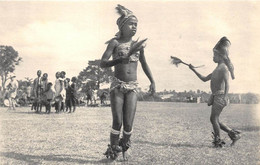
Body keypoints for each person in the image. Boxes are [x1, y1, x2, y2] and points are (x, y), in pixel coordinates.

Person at [101, 4, 155, 160]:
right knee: (117, 121)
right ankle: (112, 151)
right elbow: (103, 63)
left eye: (136, 25)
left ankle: (125, 147)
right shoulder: (114, 43)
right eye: (131, 24)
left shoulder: (137, 46)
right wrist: (119, 60)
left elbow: (144, 64)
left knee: (128, 123)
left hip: (132, 87)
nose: (134, 27)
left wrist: (152, 81)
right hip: (117, 85)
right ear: (122, 26)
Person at [189, 37, 241, 147]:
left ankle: (218, 141)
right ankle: (233, 135)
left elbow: (227, 83)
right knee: (215, 119)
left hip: (220, 96)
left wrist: (225, 97)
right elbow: (203, 78)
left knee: (213, 119)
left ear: (220, 56)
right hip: (217, 97)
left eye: (214, 55)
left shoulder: (223, 68)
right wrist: (193, 69)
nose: (213, 57)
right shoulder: (216, 69)